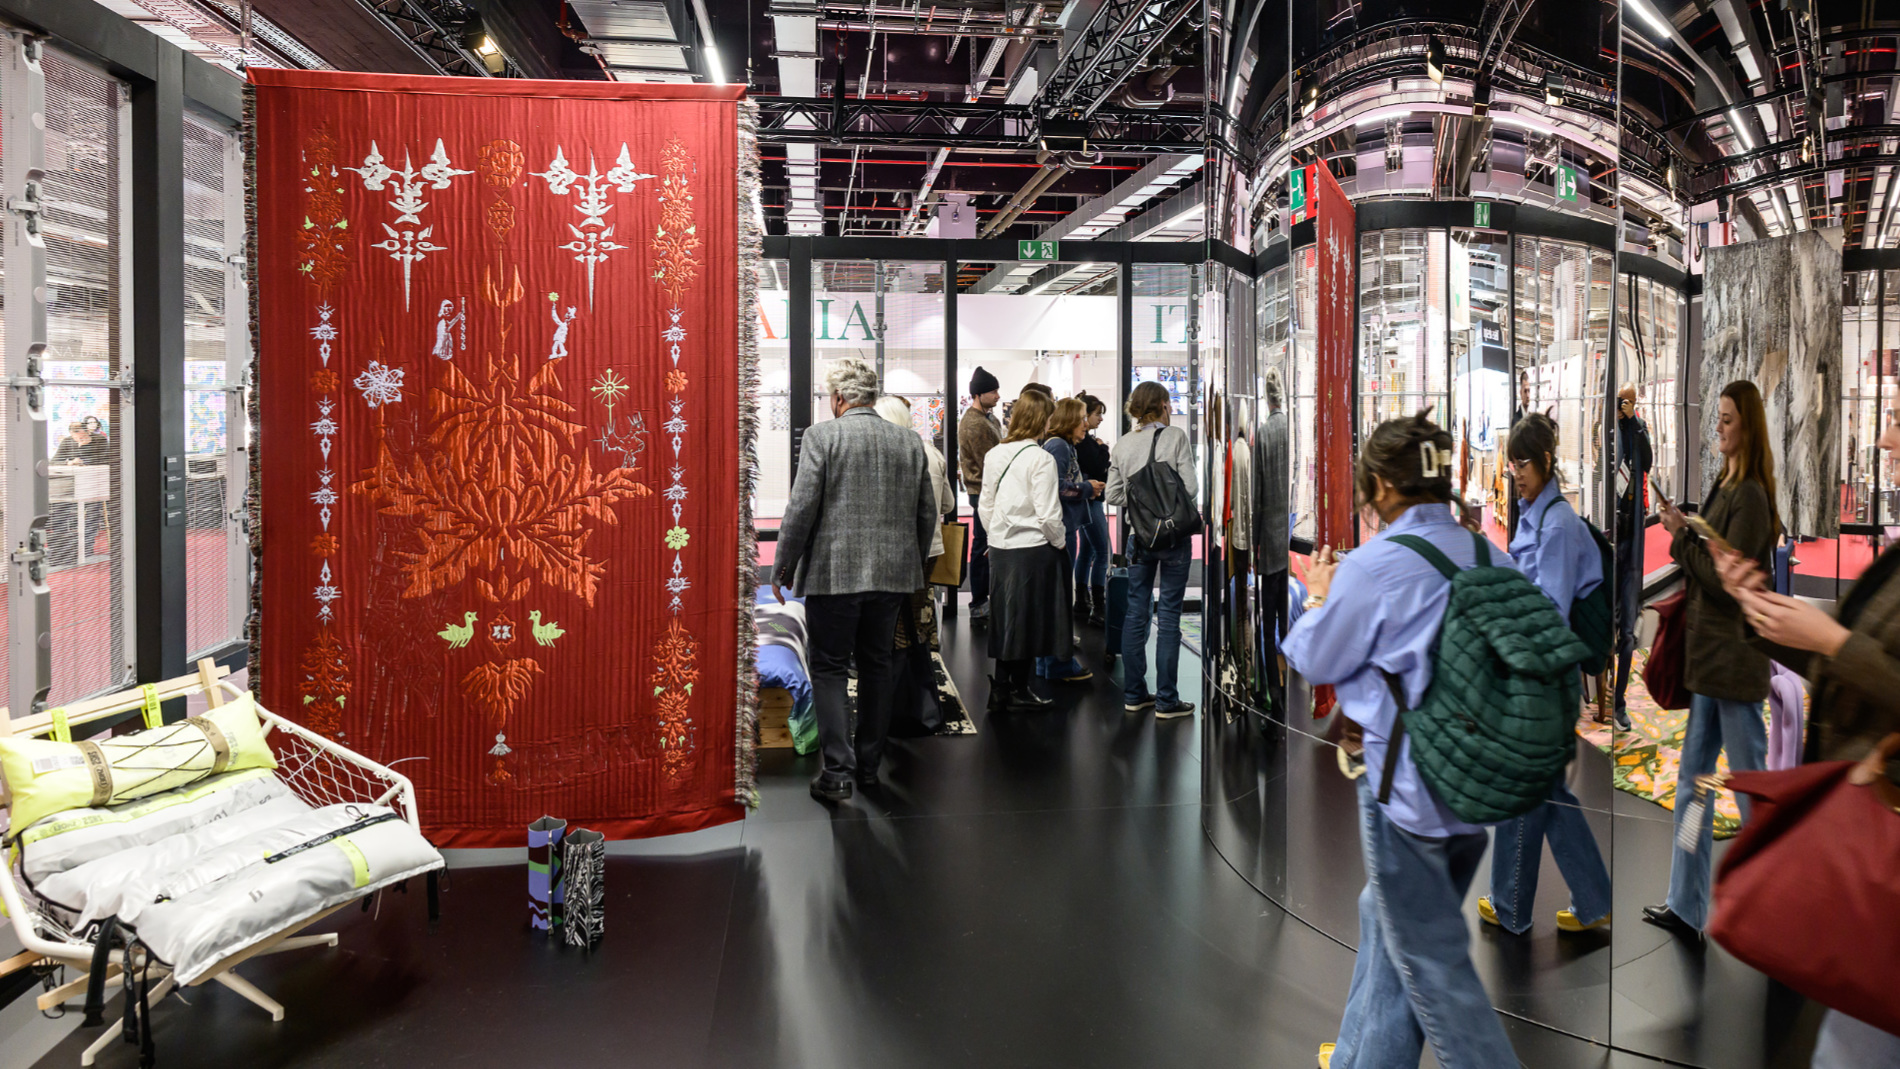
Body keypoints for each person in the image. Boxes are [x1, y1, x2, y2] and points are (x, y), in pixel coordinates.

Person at [1284, 412, 1521, 1069]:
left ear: (1383, 484)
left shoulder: (1375, 566)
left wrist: (1317, 599)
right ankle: (1359, 1052)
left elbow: (1316, 657)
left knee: (1430, 971)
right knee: (1387, 924)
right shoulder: (1488, 554)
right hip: (1479, 785)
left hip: (1406, 787)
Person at [1706, 407, 1900, 1069]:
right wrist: (1764, 612)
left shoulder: (1751, 492)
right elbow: (1849, 657)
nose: (1885, 437)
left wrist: (1833, 640)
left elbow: (1856, 656)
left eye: (1899, 418)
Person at [1644, 379, 1778, 935]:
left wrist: (1680, 541)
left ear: (1746, 424)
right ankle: (1686, 901)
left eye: (1726, 419)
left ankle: (1782, 909)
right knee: (1695, 785)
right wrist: (1686, 530)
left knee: (1753, 795)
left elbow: (1726, 584)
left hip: (1730, 667)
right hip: (1712, 667)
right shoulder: (1729, 486)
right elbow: (1716, 559)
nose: (1718, 428)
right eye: (1717, 418)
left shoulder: (1747, 494)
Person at [774, 358, 938, 803]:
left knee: (828, 668)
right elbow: (926, 513)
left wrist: (783, 566)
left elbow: (802, 508)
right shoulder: (908, 441)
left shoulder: (822, 436)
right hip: (891, 576)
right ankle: (868, 768)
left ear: (840, 399)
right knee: (877, 666)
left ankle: (838, 773)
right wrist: (912, 561)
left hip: (833, 576)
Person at [1476, 414, 1612, 936]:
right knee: (1547, 790)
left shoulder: (1556, 524)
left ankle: (1512, 903)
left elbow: (1550, 612)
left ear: (1546, 461)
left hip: (1543, 677)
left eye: (1523, 462)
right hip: (1540, 675)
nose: (1515, 473)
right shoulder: (1541, 513)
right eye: (1513, 464)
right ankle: (1591, 896)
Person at [1105, 381, 1196, 718]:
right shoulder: (1176, 439)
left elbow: (1112, 496)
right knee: (1169, 616)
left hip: (1139, 538)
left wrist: (1140, 500)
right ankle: (1167, 702)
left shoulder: (1123, 445)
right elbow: (1191, 487)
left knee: (1135, 612)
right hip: (1174, 538)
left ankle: (1134, 694)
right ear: (1162, 404)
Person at [978, 390, 1067, 712]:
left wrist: (996, 536)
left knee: (1007, 620)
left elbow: (985, 505)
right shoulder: (1041, 458)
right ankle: (1017, 689)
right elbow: (1048, 514)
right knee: (1030, 623)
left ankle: (1004, 688)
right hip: (1033, 550)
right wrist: (1060, 541)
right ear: (1042, 420)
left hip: (1002, 548)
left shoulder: (996, 454)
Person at [876, 395, 959, 730]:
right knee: (918, 616)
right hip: (930, 549)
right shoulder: (932, 452)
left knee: (895, 624)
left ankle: (897, 700)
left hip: (897, 551)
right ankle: (920, 680)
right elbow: (949, 504)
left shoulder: (892, 454)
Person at [1036, 398, 1097, 684]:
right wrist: (1088, 488)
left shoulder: (1061, 446)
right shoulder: (1059, 446)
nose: (1087, 423)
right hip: (1060, 530)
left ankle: (1047, 662)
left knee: (1055, 597)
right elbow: (1058, 487)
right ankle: (1057, 663)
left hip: (1062, 528)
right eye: (1083, 417)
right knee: (1059, 598)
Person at [1612, 383, 1654, 731]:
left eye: (1630, 401)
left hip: (1632, 540)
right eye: (1622, 400)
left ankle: (1619, 700)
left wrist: (1634, 423)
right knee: (1604, 622)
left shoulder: (1638, 430)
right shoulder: (1608, 434)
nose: (1625, 405)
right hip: (1611, 540)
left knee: (1627, 631)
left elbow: (1648, 463)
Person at [958, 367, 1005, 621]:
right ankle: (978, 601)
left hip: (990, 491)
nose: (998, 395)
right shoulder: (974, 424)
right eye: (993, 391)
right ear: (978, 394)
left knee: (987, 544)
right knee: (982, 546)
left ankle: (984, 599)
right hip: (983, 492)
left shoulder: (989, 419)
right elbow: (990, 462)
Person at [1073, 393, 1112, 626]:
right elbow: (1099, 467)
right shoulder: (1086, 444)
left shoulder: (1083, 443)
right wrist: (1104, 449)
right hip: (1090, 501)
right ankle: (1098, 607)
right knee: (1102, 552)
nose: (1100, 419)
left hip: (1087, 502)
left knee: (1086, 552)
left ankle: (1082, 601)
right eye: (1097, 414)